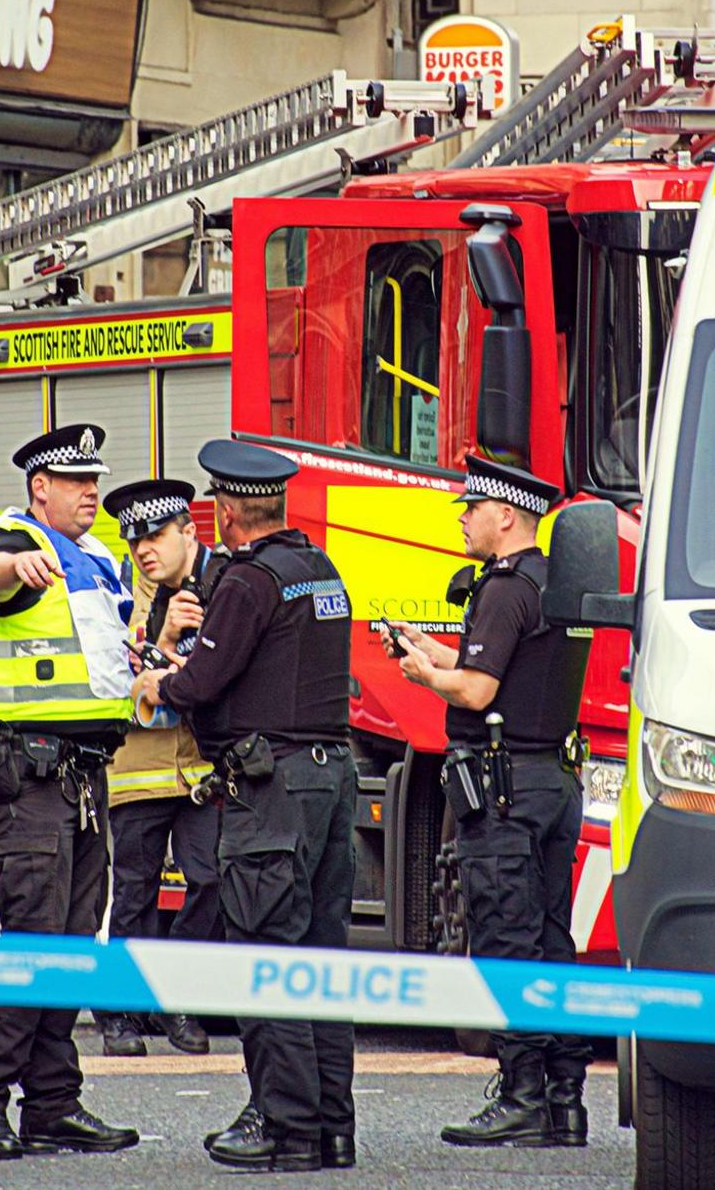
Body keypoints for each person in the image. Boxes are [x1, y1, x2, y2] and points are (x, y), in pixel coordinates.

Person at [137, 440, 357, 1174]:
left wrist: (158, 681)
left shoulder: (248, 580)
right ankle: (331, 1125)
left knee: (269, 958)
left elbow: (203, 681)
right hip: (330, 780)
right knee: (322, 958)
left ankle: (283, 1124)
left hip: (271, 790)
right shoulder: (319, 570)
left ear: (226, 512)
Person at [0, 423, 140, 1161]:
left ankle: (53, 1103)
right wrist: (15, 563)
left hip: (82, 774)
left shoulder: (97, 559)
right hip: (26, 776)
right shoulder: (4, 543)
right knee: (30, 942)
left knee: (71, 945)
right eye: (77, 482)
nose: (92, 492)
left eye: (96, 479)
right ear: (39, 489)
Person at [388, 456, 595, 1148]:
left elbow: (477, 691)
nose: (462, 518)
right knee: (550, 940)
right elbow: (503, 669)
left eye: (470, 507)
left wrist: (422, 673)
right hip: (551, 782)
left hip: (503, 793)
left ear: (504, 515)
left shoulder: (503, 589)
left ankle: (521, 1094)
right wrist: (432, 647)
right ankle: (565, 1101)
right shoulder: (549, 582)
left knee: (506, 939)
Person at [94, 478, 221, 1059]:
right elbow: (116, 679)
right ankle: (118, 1011)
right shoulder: (117, 595)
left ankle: (181, 997)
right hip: (138, 771)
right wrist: (162, 637)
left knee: (211, 880)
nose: (145, 549)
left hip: (198, 771)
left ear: (188, 531)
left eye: (156, 536)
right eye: (135, 539)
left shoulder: (220, 584)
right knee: (136, 894)